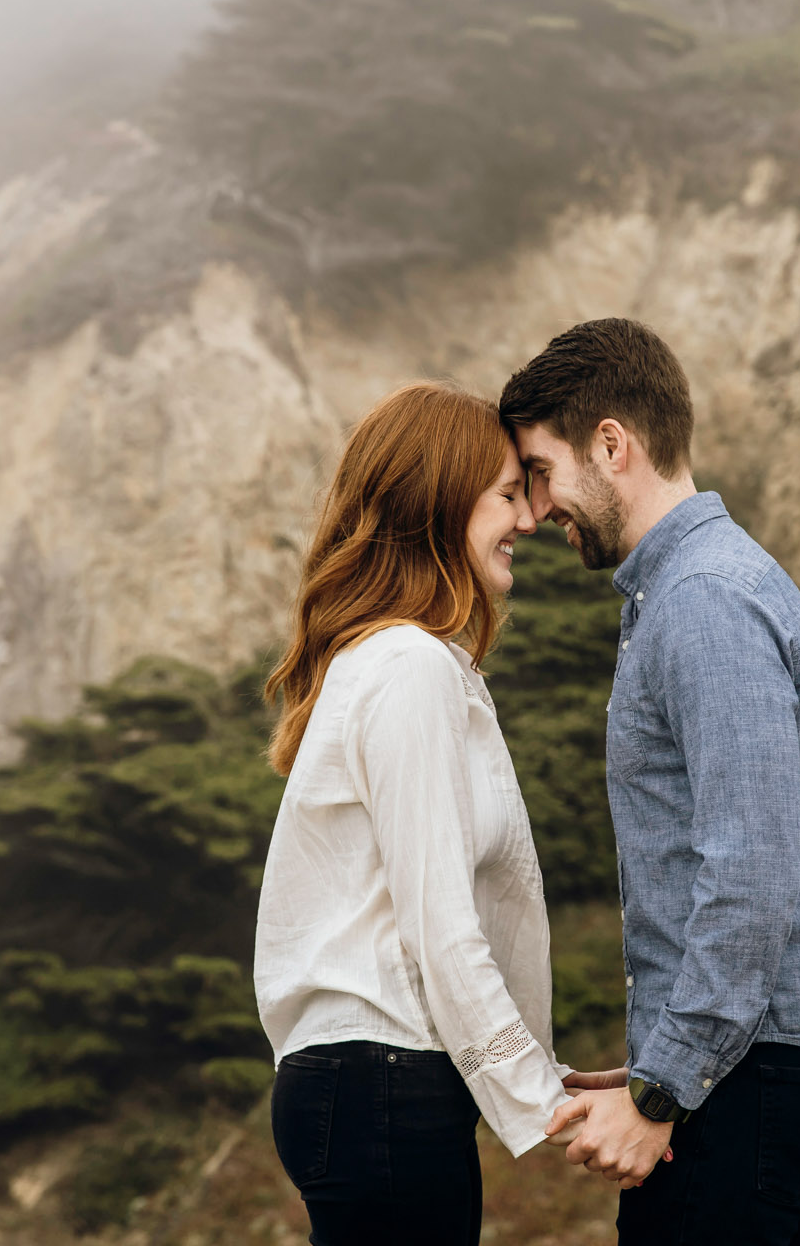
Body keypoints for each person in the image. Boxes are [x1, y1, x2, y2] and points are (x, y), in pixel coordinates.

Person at [502, 319, 800, 1246]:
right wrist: (654, 1065)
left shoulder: (703, 601)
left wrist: (666, 1086)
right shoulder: (697, 589)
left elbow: (751, 871)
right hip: (762, 1059)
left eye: (541, 471)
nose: (534, 509)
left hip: (761, 1066)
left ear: (611, 444)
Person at [254, 381, 613, 1246]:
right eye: (503, 495)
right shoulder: (407, 666)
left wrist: (551, 1074)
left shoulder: (412, 662)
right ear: (439, 506)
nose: (528, 519)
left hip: (378, 1085)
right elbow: (437, 922)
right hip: (382, 1085)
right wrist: (540, 1102)